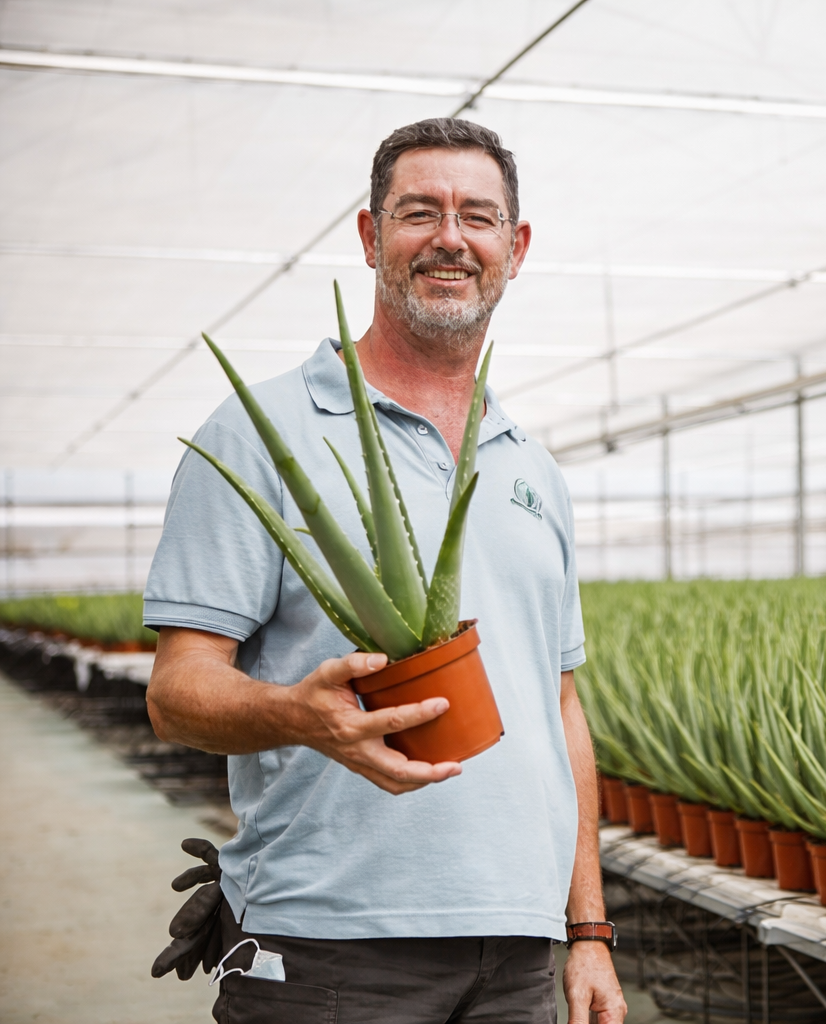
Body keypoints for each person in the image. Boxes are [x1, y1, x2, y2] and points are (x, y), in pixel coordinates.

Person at [143, 117, 626, 1024]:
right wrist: (300, 715)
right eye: (420, 212)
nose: (451, 236)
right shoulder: (259, 434)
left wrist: (588, 931)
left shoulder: (531, 465)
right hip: (331, 940)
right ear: (371, 237)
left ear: (514, 249)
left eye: (478, 217)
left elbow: (559, 706)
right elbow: (176, 692)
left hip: (520, 950)